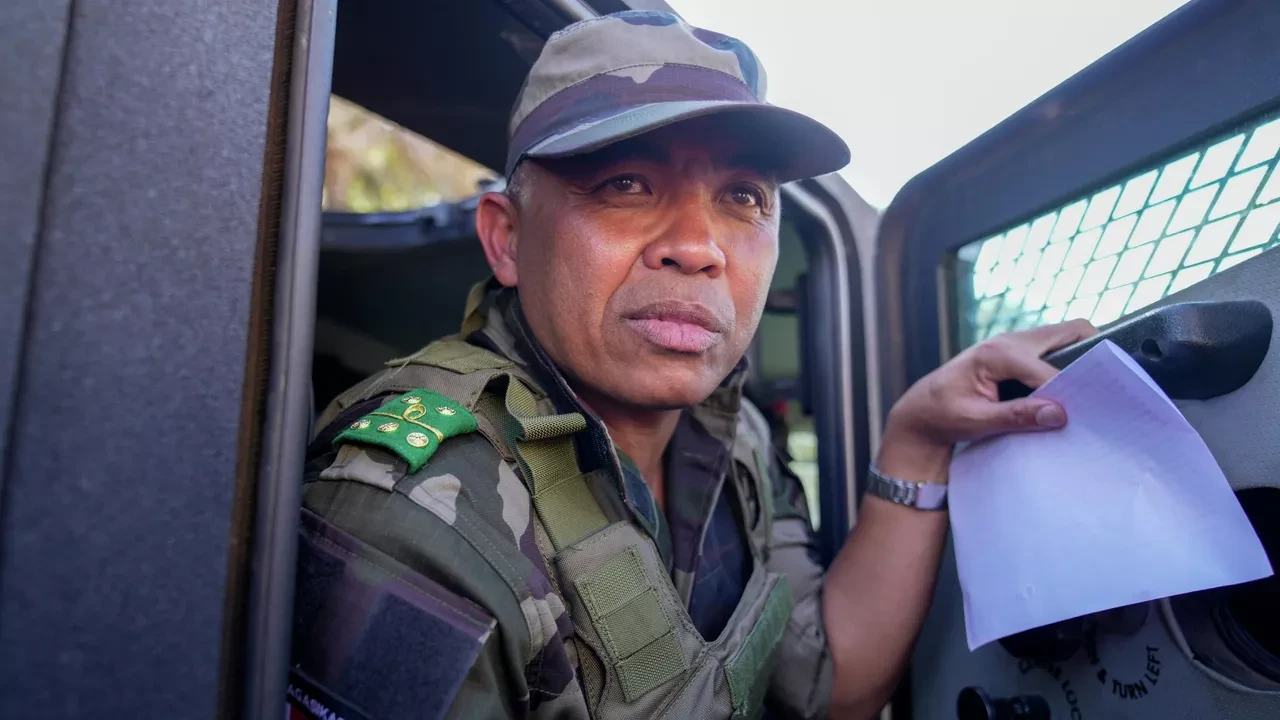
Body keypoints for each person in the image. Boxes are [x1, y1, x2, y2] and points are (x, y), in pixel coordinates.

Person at [291, 10, 1097, 720]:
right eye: (626, 183)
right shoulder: (414, 511)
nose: (699, 246)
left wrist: (914, 442)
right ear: (507, 239)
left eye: (743, 197)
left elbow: (833, 687)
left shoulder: (730, 434)